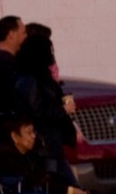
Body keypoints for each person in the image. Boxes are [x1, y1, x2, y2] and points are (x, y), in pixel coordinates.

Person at [15, 23, 78, 159]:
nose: (51, 55)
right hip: (44, 142)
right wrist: (63, 110)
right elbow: (36, 112)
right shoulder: (30, 80)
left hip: (52, 140)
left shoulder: (39, 76)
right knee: (59, 176)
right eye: (48, 50)